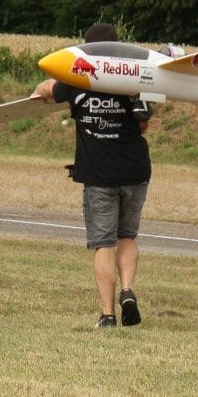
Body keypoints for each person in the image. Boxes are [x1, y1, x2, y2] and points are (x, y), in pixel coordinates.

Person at [35, 21, 152, 330]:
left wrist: (40, 89)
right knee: (127, 237)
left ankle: (108, 315)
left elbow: (48, 89)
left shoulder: (77, 80)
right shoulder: (132, 78)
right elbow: (143, 124)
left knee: (104, 244)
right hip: (135, 171)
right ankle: (127, 290)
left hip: (99, 176)